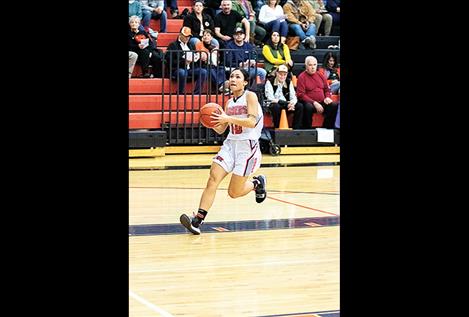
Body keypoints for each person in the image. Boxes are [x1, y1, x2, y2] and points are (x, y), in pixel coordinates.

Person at [179, 68, 267, 235]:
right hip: (230, 144)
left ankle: (257, 183)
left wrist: (227, 118)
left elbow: (251, 122)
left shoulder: (250, 96)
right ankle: (197, 220)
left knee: (234, 193)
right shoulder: (228, 102)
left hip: (247, 147)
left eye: (237, 76)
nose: (233, 79)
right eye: (231, 76)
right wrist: (211, 121)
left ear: (245, 82)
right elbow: (221, 130)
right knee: (213, 178)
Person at [296, 56, 338, 129]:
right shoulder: (301, 77)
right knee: (308, 107)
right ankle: (307, 128)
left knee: (334, 105)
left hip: (322, 101)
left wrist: (327, 97)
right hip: (309, 102)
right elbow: (301, 95)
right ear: (306, 66)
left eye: (314, 65)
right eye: (310, 65)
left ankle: (327, 127)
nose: (313, 67)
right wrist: (314, 102)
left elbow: (327, 89)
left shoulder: (320, 75)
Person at [165, 26, 208, 94]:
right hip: (178, 69)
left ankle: (197, 93)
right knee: (182, 72)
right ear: (180, 35)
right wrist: (184, 61)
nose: (187, 38)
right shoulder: (173, 45)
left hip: (190, 69)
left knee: (203, 72)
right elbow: (170, 61)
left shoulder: (191, 45)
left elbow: (195, 58)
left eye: (188, 36)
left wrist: (198, 58)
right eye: (185, 36)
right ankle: (180, 92)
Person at [265, 64, 307, 129]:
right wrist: (286, 103)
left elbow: (293, 96)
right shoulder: (269, 82)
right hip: (274, 104)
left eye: (284, 74)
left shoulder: (289, 82)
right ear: (276, 73)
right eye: (280, 74)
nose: (282, 76)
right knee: (276, 106)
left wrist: (292, 104)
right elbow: (271, 98)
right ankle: (277, 127)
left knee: (299, 106)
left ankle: (296, 129)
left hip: (287, 104)